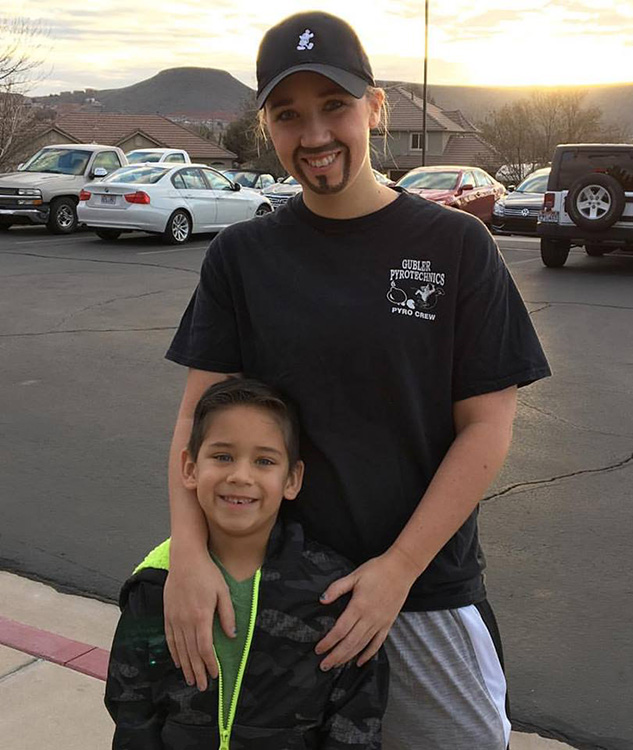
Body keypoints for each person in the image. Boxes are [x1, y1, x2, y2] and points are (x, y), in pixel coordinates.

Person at [163, 10, 551, 749]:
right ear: (266, 125)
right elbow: (195, 422)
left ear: (376, 108)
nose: (313, 136)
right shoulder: (241, 259)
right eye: (288, 115)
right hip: (279, 591)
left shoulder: (456, 246)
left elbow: (487, 427)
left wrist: (398, 571)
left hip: (421, 593)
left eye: (334, 107)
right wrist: (189, 555)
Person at [105, 378, 388, 749]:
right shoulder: (157, 585)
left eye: (264, 461)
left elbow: (357, 719)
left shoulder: (330, 593)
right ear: (189, 468)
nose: (240, 475)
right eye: (222, 456)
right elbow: (132, 708)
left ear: (292, 480)